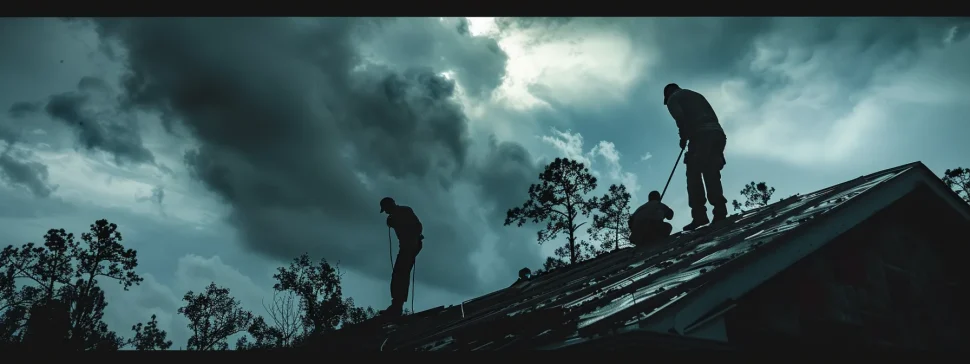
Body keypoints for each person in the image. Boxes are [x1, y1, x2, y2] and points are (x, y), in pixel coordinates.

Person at [664, 83, 728, 231]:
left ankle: (699, 215)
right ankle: (720, 211)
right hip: (717, 134)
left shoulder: (673, 98)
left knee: (693, 175)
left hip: (701, 136)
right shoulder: (696, 95)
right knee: (711, 172)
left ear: (668, 93)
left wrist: (683, 136)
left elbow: (680, 117)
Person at [379, 197, 424, 318]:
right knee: (400, 274)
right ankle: (396, 304)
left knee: (400, 274)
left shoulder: (405, 211)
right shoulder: (395, 217)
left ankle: (397, 306)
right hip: (407, 246)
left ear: (390, 206)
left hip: (411, 246)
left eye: (386, 209)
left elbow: (418, 226)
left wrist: (413, 240)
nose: (387, 213)